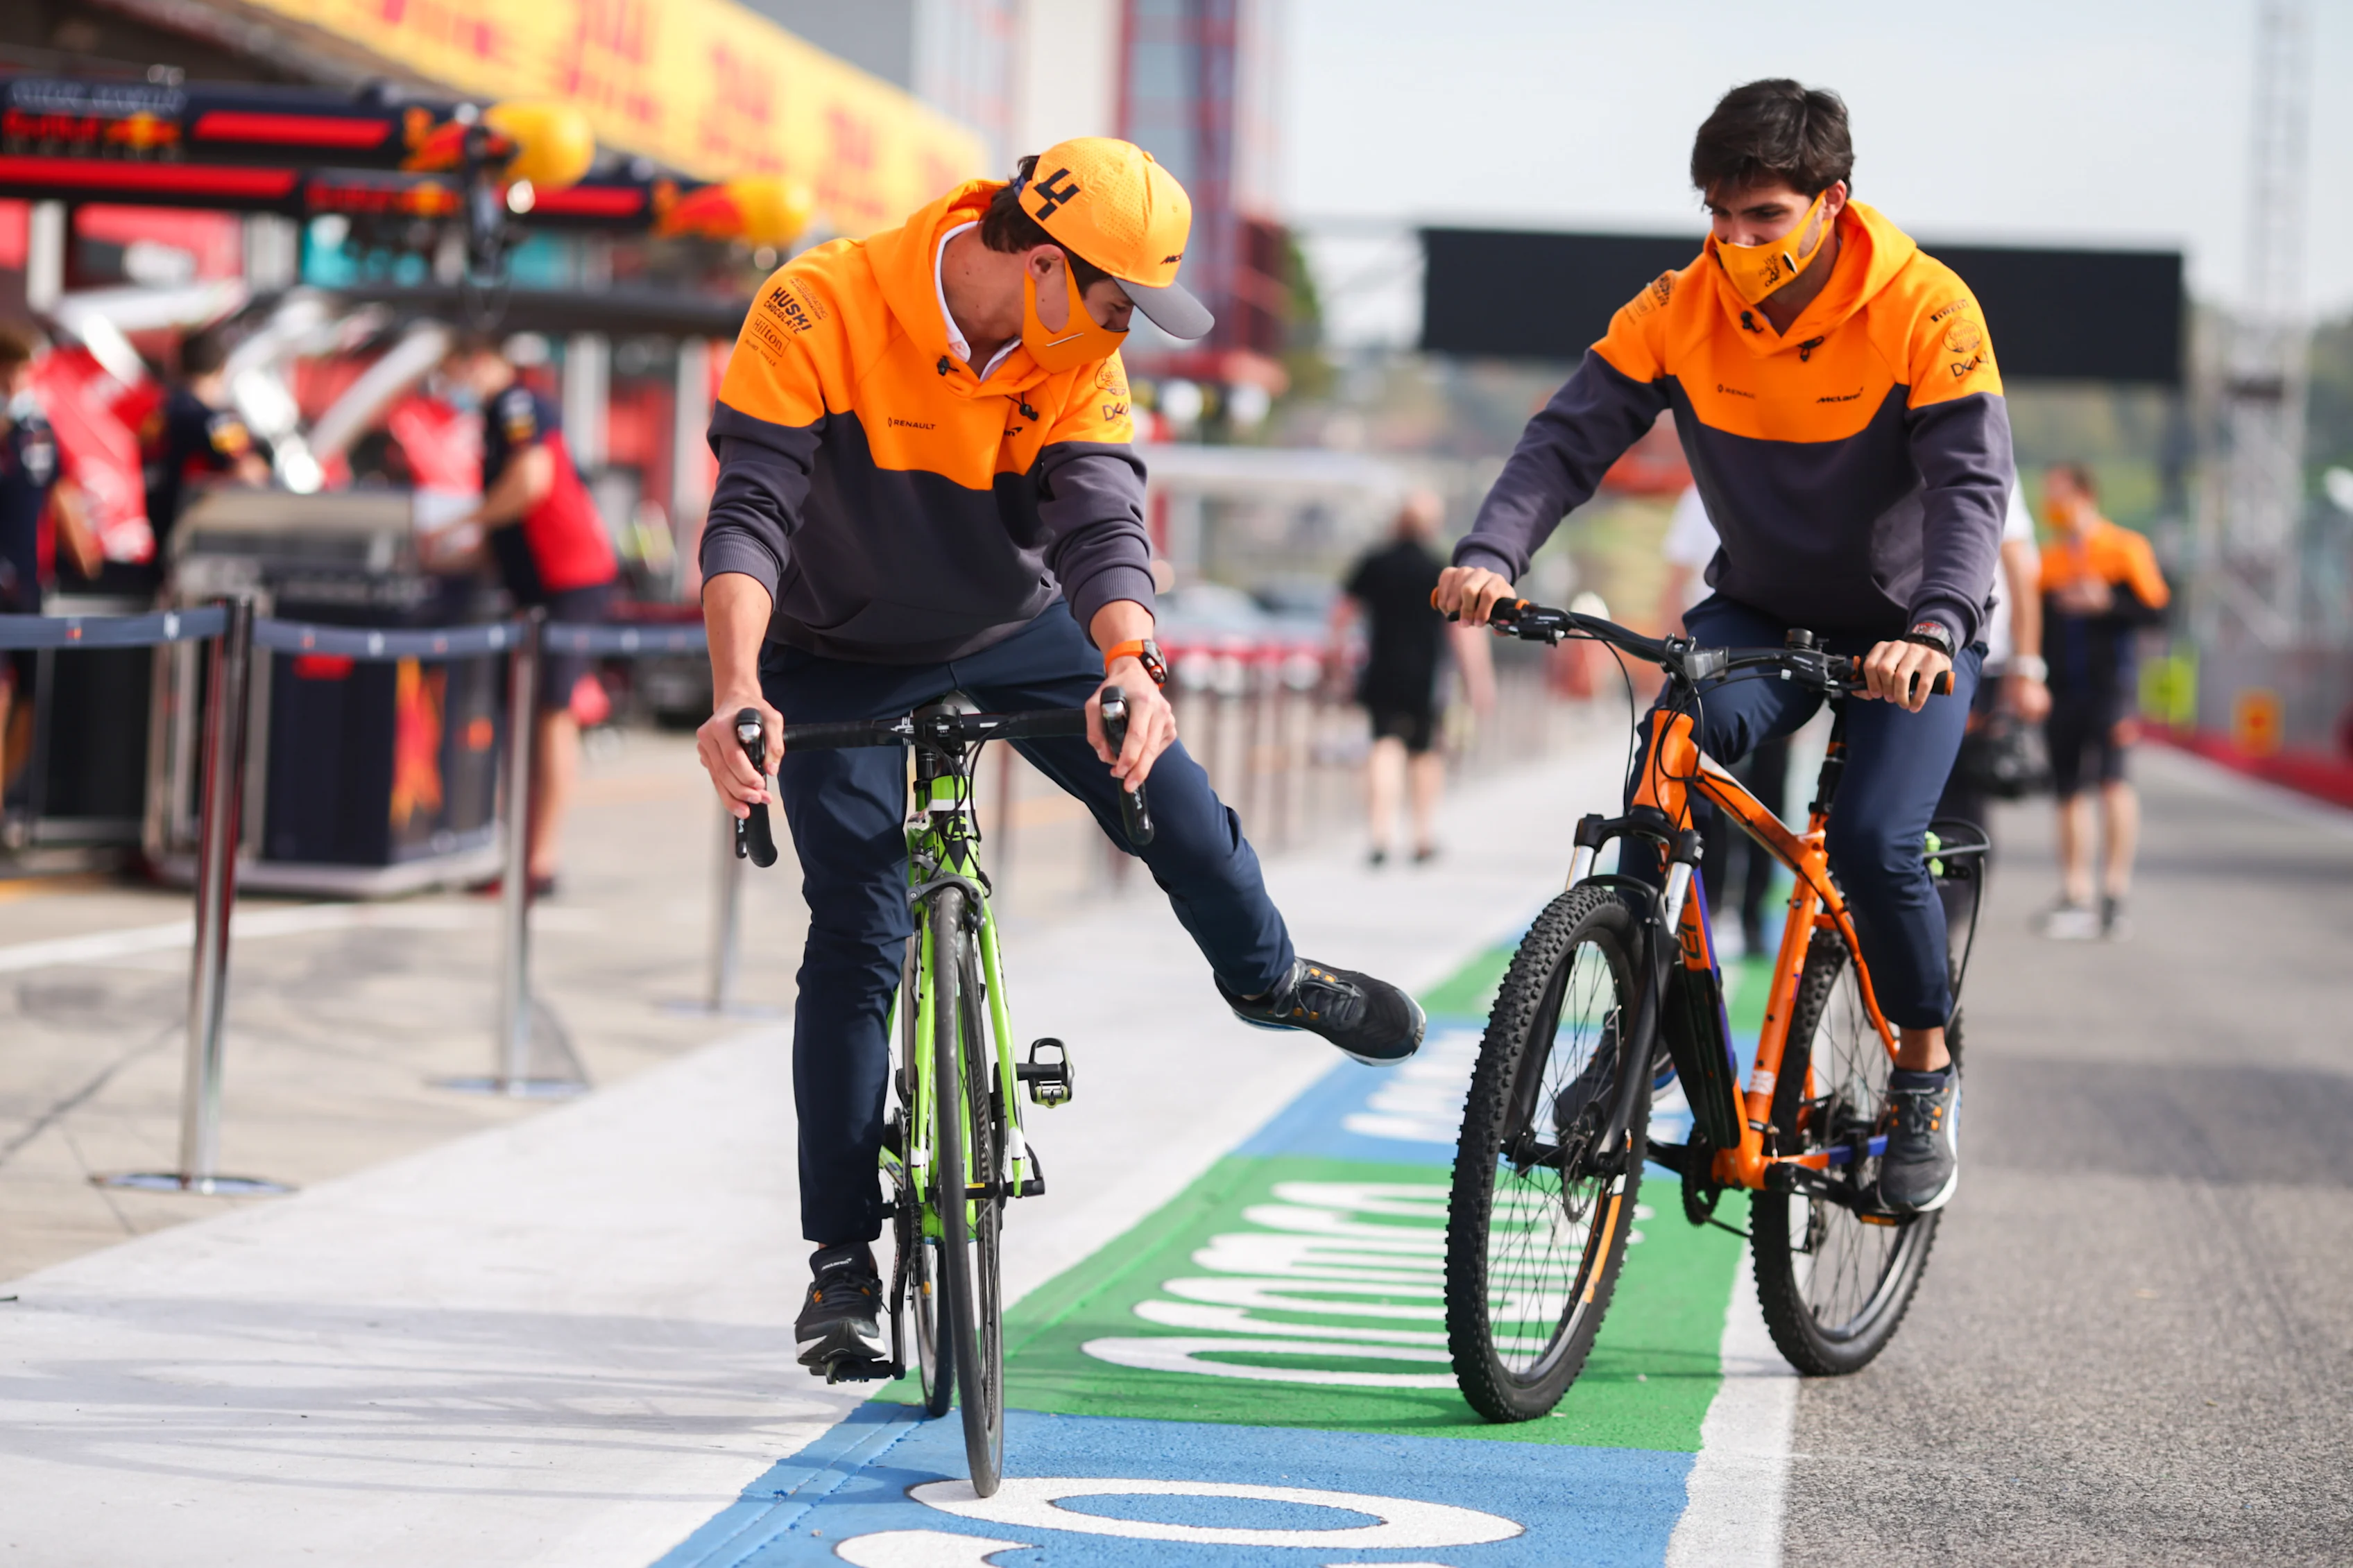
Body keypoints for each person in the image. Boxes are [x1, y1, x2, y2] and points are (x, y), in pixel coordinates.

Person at [693, 138, 1427, 1375]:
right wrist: (736, 688)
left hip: (1007, 624)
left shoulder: (1075, 356)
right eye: (1112, 302)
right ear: (1040, 262)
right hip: (833, 648)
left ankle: (1268, 977)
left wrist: (1129, 662)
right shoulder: (819, 302)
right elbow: (751, 508)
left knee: (1175, 801)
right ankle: (840, 1270)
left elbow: (1099, 515)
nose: (1119, 334)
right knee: (860, 931)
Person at [1437, 80, 2008, 1215]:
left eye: (1763, 217)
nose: (1734, 241)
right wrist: (1493, 552)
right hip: (1760, 611)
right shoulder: (1677, 306)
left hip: (1909, 633)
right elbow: (1565, 440)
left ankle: (1923, 1071)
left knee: (1877, 841)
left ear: (1831, 203)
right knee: (1669, 750)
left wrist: (1936, 625)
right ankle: (1645, 1021)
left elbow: (1969, 491)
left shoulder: (1925, 307)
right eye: (1717, 214)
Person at [430, 334, 621, 897]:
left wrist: (452, 526)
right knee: (528, 718)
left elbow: (530, 482)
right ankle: (521, 856)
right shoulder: (497, 417)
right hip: (540, 586)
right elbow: (506, 526)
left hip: (570, 583)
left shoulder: (517, 404)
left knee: (551, 716)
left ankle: (540, 861)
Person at [2035, 463, 2168, 940]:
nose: (2051, 502)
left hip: (2112, 688)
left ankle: (2114, 890)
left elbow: (2158, 612)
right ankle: (2075, 892)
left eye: (2059, 492)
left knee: (2113, 781)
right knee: (2067, 789)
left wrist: (2106, 602)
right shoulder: (2048, 560)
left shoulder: (2124, 548)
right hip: (2062, 690)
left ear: (2086, 494)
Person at [1331, 490, 1494, 865]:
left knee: (1383, 746)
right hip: (1426, 676)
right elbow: (1462, 633)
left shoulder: (1375, 562)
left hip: (1381, 671)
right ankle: (1422, 836)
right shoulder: (1440, 569)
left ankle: (1379, 835)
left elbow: (1342, 613)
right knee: (1424, 753)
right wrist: (1478, 682)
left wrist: (1336, 658)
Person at [1660, 484, 1789, 956]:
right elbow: (1676, 576)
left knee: (1767, 794)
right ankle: (1706, 906)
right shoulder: (1699, 493)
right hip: (1709, 653)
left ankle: (1754, 913)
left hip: (1777, 656)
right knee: (1702, 787)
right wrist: (1667, 647)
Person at [0, 323, 99, 791]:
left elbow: (61, 493)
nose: (19, 382)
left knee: (33, 699)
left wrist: (87, 558)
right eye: (13, 372)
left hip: (28, 582)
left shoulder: (37, 428)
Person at [1933, 470, 2051, 850]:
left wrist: (2028, 668)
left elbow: (2020, 573)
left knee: (1962, 790)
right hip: (1911, 645)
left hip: (1978, 656)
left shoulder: (1983, 451)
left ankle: (1952, 903)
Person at [142, 325, 268, 565]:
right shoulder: (216, 421)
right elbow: (248, 472)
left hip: (155, 528)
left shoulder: (157, 417)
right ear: (223, 368)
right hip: (195, 538)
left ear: (178, 365)